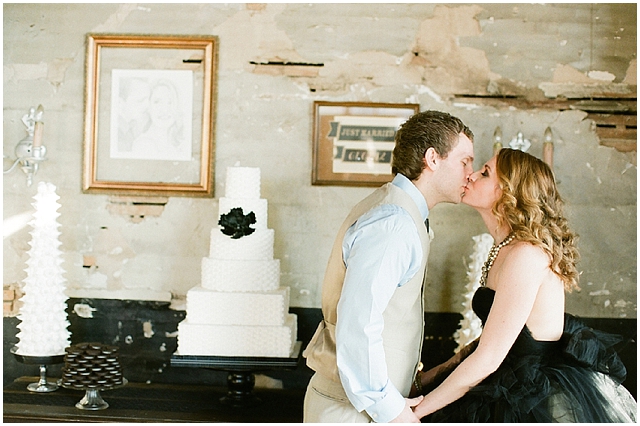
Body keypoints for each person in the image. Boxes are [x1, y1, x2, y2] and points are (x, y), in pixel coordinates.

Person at [412, 148, 637, 422]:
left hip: (530, 394)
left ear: (509, 193)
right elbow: (488, 342)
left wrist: (415, 413)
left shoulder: (526, 254)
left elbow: (489, 356)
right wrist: (429, 377)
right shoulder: (506, 247)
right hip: (503, 375)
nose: (470, 176)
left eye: (484, 173)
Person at [303, 110, 475, 423]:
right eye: (465, 161)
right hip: (353, 412)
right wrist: (391, 410)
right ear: (432, 158)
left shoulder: (401, 212)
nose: (471, 174)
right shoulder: (394, 223)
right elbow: (358, 322)